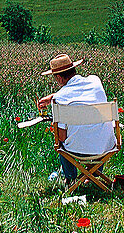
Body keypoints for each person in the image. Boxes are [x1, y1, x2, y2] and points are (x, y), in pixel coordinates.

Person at [37, 53, 116, 184]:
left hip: (77, 151)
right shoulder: (96, 81)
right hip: (105, 147)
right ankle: (93, 173)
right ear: (74, 69)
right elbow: (78, 91)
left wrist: (53, 98)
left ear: (59, 78)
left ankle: (70, 177)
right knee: (96, 131)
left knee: (60, 142)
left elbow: (61, 137)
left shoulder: (60, 99)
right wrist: (52, 97)